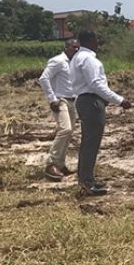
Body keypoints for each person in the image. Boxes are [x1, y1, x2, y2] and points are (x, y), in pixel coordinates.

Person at [70, 31, 132, 195]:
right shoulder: (89, 59)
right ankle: (87, 183)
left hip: (84, 100)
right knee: (91, 143)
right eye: (96, 39)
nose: (98, 42)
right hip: (91, 101)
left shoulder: (77, 57)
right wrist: (119, 100)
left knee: (88, 142)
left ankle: (86, 178)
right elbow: (96, 84)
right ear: (90, 40)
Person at [38, 39, 81, 181]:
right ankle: (51, 163)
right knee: (65, 129)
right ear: (67, 47)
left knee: (69, 133)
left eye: (78, 48)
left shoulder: (75, 64)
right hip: (60, 100)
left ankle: (60, 164)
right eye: (74, 47)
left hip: (72, 101)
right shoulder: (57, 61)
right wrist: (52, 99)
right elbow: (44, 78)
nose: (76, 50)